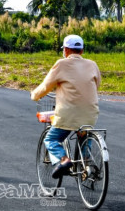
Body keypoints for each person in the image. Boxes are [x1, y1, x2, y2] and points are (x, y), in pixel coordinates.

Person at [31, 35, 101, 179]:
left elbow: (45, 86)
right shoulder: (92, 64)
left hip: (68, 114)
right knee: (84, 133)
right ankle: (87, 164)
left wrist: (35, 95)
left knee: (51, 139)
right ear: (81, 51)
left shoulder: (61, 64)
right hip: (90, 113)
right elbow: (96, 84)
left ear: (67, 50)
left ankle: (64, 160)